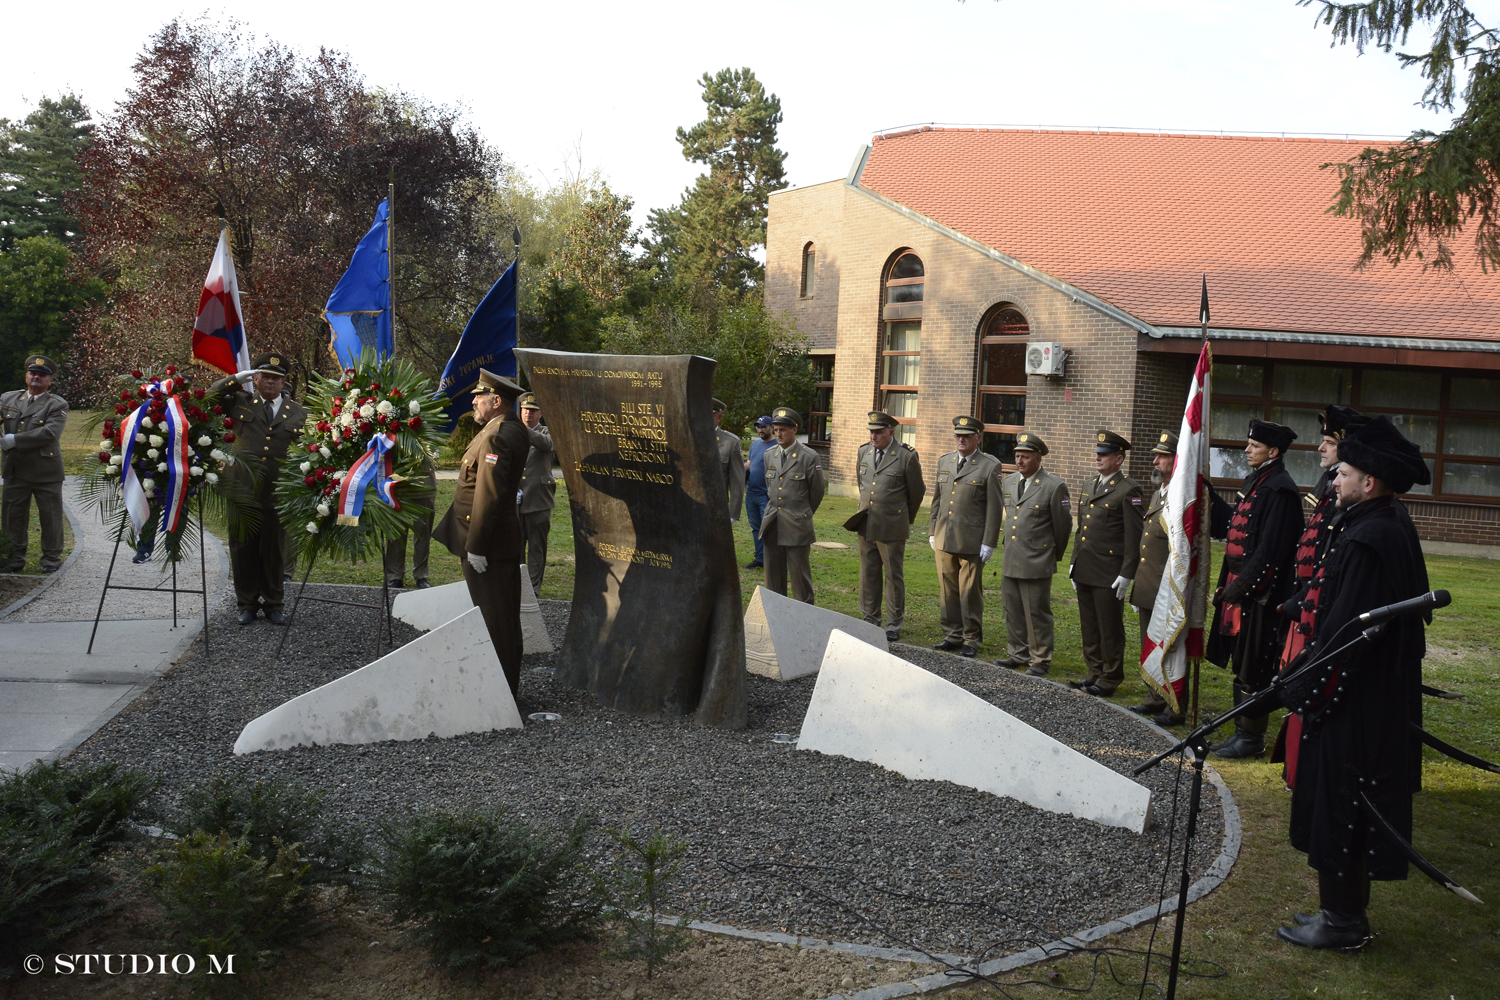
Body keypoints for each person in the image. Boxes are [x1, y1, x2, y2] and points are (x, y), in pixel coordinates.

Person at [1275, 416, 1431, 951]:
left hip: (1357, 703)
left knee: (1344, 805)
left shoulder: (1373, 535)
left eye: (1343, 473)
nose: (1333, 480)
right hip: (1362, 697)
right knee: (1340, 803)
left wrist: (1302, 685)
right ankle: (1340, 912)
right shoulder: (1371, 522)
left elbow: (1347, 632)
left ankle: (1342, 922)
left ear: (1370, 482)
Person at [1272, 405, 1370, 780]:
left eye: (1329, 442)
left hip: (1320, 605)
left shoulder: (1345, 496)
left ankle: (1302, 770)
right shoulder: (1328, 486)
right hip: (1309, 601)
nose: (1320, 449)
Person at [1205, 418, 1304, 758]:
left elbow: (1270, 551)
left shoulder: (1280, 489)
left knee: (1256, 664)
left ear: (1273, 451)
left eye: (1254, 446)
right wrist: (1209, 495)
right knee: (1241, 660)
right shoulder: (1257, 480)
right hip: (1243, 588)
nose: (1247, 450)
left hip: (1263, 594)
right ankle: (1241, 732)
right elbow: (1235, 525)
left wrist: (1239, 589)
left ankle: (1251, 739)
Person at [433, 369, 530, 697]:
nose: (473, 401)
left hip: (488, 546)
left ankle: (499, 694)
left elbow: (489, 494)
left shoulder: (497, 434)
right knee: (501, 617)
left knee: (495, 620)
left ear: (496, 400)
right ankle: (502, 688)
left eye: (479, 396)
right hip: (497, 542)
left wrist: (475, 546)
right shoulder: (507, 428)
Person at [207, 353, 308, 625]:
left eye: (277, 378)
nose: (271, 383)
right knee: (243, 548)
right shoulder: (239, 402)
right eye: (266, 377)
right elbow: (207, 400)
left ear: (284, 382)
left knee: (275, 549)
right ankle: (247, 603)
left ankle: (274, 603)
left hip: (277, 490)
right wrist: (233, 381)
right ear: (256, 379)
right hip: (242, 487)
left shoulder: (298, 412)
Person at [1069, 431, 1144, 696]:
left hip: (1109, 571)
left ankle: (1111, 677)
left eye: (1104, 454)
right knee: (1089, 624)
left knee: (1109, 626)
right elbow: (1082, 529)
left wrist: (1127, 573)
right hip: (1086, 566)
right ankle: (1094, 672)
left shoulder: (1128, 490)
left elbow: (1134, 536)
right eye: (1097, 453)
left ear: (1119, 459)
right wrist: (1074, 561)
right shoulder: (1090, 484)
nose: (1098, 458)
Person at [996, 432, 1071, 676]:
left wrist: (1051, 555)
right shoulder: (1009, 482)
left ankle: (1040, 659)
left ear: (1038, 459)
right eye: (1017, 456)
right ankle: (1018, 653)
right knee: (1012, 608)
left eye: (1025, 457)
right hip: (1012, 556)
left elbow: (1062, 527)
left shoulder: (1053, 486)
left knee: (1036, 611)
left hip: (1037, 559)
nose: (1019, 461)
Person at [928, 415, 1002, 658]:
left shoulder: (989, 466)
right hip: (944, 537)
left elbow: (994, 507)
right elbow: (937, 500)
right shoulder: (945, 461)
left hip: (971, 541)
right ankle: (952, 634)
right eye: (958, 436)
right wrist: (932, 531)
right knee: (947, 590)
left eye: (967, 436)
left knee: (969, 592)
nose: (961, 440)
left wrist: (989, 542)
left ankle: (972, 638)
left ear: (977, 439)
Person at [851, 411, 925, 642]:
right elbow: (862, 483)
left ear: (891, 432)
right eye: (871, 432)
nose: (873, 436)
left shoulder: (906, 456)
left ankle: (894, 622)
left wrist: (903, 518)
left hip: (892, 525)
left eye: (878, 432)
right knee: (868, 572)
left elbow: (917, 492)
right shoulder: (864, 451)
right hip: (867, 522)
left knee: (893, 575)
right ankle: (870, 617)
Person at [1127, 431, 1183, 724]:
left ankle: (1173, 703)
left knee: (1170, 646)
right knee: (1150, 642)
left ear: (1177, 461)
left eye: (1162, 457)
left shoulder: (1181, 496)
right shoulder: (1159, 493)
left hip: (1168, 586)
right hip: (1150, 584)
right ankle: (1154, 696)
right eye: (1156, 455)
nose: (1155, 461)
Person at [1, 355, 69, 573]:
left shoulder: (57, 404)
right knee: (13, 516)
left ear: (50, 381)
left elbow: (49, 432)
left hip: (45, 470)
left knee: (50, 516)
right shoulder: (8, 399)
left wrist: (15, 440)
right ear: (26, 376)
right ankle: (13, 558)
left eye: (43, 375)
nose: (37, 377)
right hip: (15, 468)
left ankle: (51, 558)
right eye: (33, 373)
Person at [760, 406, 824, 604]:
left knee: (800, 582)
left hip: (797, 526)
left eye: (783, 430)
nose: (778, 434)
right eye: (776, 429)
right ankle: (776, 619)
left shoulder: (809, 456)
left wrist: (801, 513)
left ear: (794, 430)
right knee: (773, 580)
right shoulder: (769, 455)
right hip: (772, 524)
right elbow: (770, 486)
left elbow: (817, 493)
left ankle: (803, 621)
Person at [516, 392, 555, 591]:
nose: (528, 414)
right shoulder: (513, 433)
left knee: (537, 548)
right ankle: (520, 586)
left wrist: (522, 430)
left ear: (540, 414)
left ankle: (534, 588)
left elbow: (546, 445)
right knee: (517, 546)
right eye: (525, 410)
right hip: (516, 501)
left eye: (532, 411)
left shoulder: (548, 432)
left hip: (539, 499)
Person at [381, 453, 435, 589]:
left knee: (423, 534)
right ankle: (395, 576)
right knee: (396, 535)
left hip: (423, 485)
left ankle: (421, 575)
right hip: (397, 486)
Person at [743, 416, 774, 569]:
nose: (760, 429)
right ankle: (760, 559)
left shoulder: (776, 446)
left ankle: (771, 560)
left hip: (766, 495)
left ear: (771, 427)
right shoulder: (755, 445)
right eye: (758, 427)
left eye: (763, 426)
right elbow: (749, 464)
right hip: (751, 493)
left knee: (767, 528)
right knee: (755, 527)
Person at [713, 398, 744, 522]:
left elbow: (737, 481)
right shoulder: (690, 438)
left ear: (719, 417)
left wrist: (732, 514)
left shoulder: (730, 442)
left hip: (718, 507)